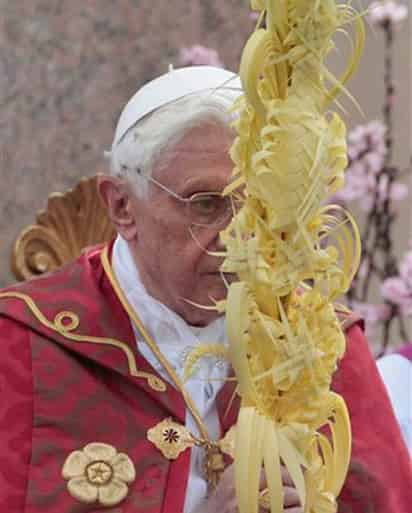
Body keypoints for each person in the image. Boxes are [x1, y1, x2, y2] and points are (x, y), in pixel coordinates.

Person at [0, 66, 410, 513]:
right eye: (206, 204)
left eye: (258, 206)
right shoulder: (20, 346)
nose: (240, 239)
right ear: (122, 206)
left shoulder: (318, 346)